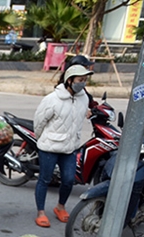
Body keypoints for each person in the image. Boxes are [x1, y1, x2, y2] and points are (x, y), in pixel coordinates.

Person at [32, 63, 94, 228]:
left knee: (68, 180)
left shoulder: (83, 98)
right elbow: (39, 122)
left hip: (70, 148)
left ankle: (60, 207)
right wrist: (43, 139)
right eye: (80, 79)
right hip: (49, 147)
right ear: (69, 80)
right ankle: (41, 212)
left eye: (85, 80)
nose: (83, 83)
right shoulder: (52, 99)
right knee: (44, 179)